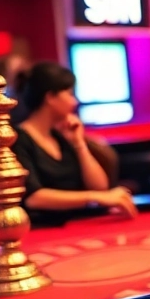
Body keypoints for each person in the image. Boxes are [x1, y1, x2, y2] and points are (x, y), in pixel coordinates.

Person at [11, 62, 136, 219]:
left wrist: (79, 143)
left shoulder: (60, 136)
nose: (74, 102)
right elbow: (34, 198)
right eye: (70, 94)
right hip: (43, 229)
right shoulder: (18, 140)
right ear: (50, 97)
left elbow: (100, 187)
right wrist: (93, 197)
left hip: (78, 223)